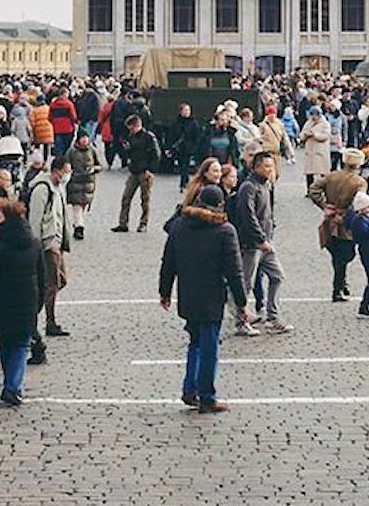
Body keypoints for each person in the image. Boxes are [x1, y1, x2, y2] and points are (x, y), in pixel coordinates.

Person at [158, 182, 247, 413]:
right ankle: (206, 395)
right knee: (209, 347)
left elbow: (168, 262)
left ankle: (190, 389)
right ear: (220, 204)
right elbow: (234, 271)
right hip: (211, 296)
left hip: (188, 294)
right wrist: (241, 303)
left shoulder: (180, 225)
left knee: (195, 343)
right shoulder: (225, 230)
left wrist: (164, 291)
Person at [0, 198, 46, 406]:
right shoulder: (34, 244)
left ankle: (11, 386)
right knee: (21, 345)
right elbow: (43, 278)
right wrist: (39, 302)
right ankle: (12, 386)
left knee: (6, 343)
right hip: (28, 303)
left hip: (1, 304)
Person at [230, 151, 289, 335]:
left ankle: (273, 316)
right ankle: (241, 322)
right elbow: (248, 217)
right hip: (252, 244)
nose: (270, 170)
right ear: (255, 167)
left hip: (266, 242)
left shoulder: (267, 185)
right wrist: (260, 239)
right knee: (246, 283)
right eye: (267, 166)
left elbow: (268, 212)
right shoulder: (248, 187)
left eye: (272, 166)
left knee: (277, 276)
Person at [310, 149, 367, 302]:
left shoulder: (331, 176)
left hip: (330, 220)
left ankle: (342, 283)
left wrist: (324, 205)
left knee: (336, 254)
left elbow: (314, 189)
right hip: (346, 223)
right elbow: (359, 203)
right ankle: (338, 288)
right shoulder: (359, 182)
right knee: (344, 255)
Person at [28, 154, 72, 339]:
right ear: (56, 171)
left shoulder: (59, 187)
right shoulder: (42, 189)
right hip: (47, 242)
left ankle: (42, 313)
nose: (68, 175)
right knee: (51, 283)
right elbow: (35, 220)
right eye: (66, 171)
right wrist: (35, 246)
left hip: (58, 240)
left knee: (60, 280)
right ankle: (49, 322)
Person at [111, 114, 159, 234]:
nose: (130, 131)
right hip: (134, 171)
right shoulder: (131, 137)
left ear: (137, 125)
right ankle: (123, 223)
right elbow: (131, 153)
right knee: (126, 197)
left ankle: (143, 224)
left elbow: (156, 154)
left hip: (144, 171)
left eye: (131, 128)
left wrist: (151, 170)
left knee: (145, 199)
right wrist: (127, 150)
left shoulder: (148, 137)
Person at [64, 133, 99, 239]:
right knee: (77, 207)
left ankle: (77, 223)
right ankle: (79, 227)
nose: (84, 140)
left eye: (86, 138)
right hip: (75, 183)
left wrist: (94, 169)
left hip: (88, 184)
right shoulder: (72, 151)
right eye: (82, 138)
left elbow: (98, 164)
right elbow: (66, 164)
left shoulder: (92, 151)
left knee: (82, 207)